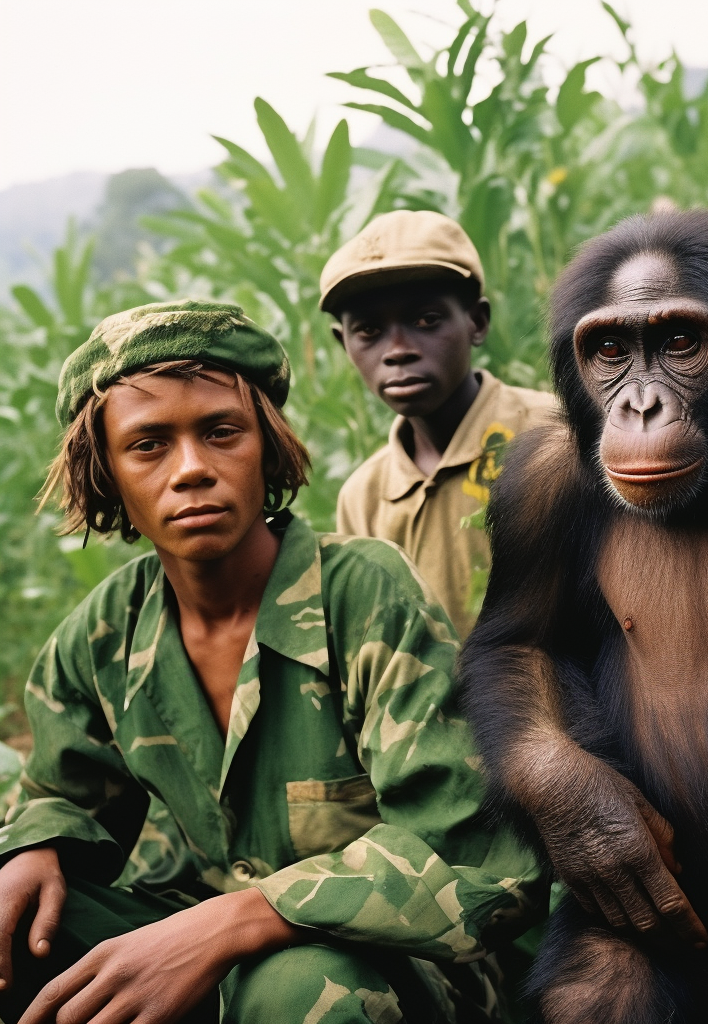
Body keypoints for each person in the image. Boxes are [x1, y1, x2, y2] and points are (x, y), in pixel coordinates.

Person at [0, 300, 542, 1024]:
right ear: (108, 474)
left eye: (221, 432)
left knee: (304, 991)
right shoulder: (103, 631)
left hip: (391, 973)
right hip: (193, 941)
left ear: (269, 447)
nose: (192, 469)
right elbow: (60, 792)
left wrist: (235, 920)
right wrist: (36, 849)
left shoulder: (364, 594)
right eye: (149, 444)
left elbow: (477, 869)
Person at [320, 211, 556, 639]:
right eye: (369, 331)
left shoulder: (552, 437)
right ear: (344, 344)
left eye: (426, 320)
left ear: (477, 322)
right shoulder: (365, 497)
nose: (397, 350)